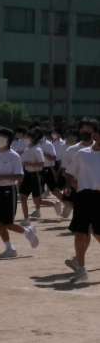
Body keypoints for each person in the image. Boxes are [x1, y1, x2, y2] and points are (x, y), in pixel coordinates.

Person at [0, 127, 39, 258]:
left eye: (0, 137)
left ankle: (27, 232)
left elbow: (20, 176)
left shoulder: (14, 156)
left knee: (7, 223)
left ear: (8, 140)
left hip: (8, 191)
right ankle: (9, 248)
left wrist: (4, 177)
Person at [66, 119, 100, 283]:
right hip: (83, 197)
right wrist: (72, 182)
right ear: (95, 135)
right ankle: (81, 269)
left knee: (98, 234)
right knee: (80, 233)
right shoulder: (82, 153)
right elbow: (69, 172)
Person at [19, 128, 45, 224]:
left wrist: (29, 164)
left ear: (33, 138)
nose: (25, 139)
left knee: (36, 199)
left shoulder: (37, 149)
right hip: (26, 174)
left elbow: (42, 164)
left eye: (27, 137)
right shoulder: (27, 148)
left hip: (35, 174)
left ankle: (54, 204)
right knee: (23, 197)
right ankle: (26, 219)